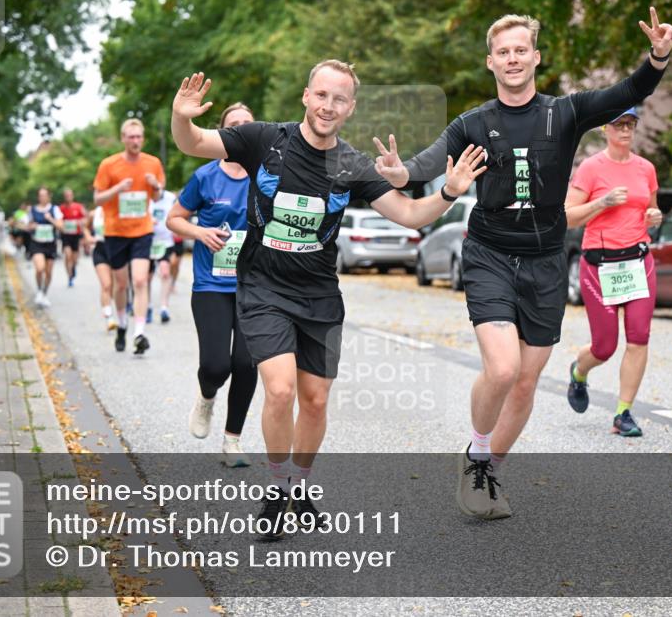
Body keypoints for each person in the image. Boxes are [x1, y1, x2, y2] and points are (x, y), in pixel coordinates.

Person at [374, 8, 672, 519]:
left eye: (521, 50)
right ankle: (475, 453)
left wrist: (658, 57)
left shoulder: (566, 112)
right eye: (503, 52)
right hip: (490, 253)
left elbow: (628, 92)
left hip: (546, 261)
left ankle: (488, 468)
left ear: (535, 57)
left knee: (527, 379)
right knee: (504, 366)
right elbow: (427, 165)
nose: (512, 59)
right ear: (491, 62)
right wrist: (400, 172)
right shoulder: (473, 123)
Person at [170, 60, 487, 537]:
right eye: (321, 95)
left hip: (319, 293)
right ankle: (278, 491)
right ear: (306, 96)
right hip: (262, 287)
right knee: (279, 390)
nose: (328, 106)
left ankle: (299, 484)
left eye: (339, 99)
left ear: (350, 108)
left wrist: (448, 191)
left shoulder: (353, 165)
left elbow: (409, 214)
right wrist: (181, 116)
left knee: (315, 402)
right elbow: (193, 142)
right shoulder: (263, 139)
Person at [167, 102, 259, 468]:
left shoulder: (268, 177)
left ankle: (232, 442)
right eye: (232, 126)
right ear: (221, 133)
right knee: (218, 364)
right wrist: (200, 232)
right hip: (211, 285)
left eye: (246, 125)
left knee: (247, 363)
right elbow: (174, 219)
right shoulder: (205, 176)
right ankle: (206, 396)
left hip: (255, 287)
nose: (239, 131)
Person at [563, 107, 663, 437]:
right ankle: (579, 371)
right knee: (604, 347)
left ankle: (623, 413)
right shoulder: (591, 169)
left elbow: (651, 206)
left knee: (639, 338)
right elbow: (569, 217)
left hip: (637, 262)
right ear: (605, 128)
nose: (625, 130)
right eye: (619, 124)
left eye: (630, 124)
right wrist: (601, 203)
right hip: (600, 265)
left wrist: (654, 217)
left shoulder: (645, 169)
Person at [93, 118, 166, 355]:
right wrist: (117, 189)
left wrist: (156, 186)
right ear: (123, 139)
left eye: (138, 137)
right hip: (115, 232)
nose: (135, 141)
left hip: (142, 230)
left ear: (143, 139)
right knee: (121, 284)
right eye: (130, 137)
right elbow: (97, 199)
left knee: (140, 281)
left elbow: (156, 198)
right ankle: (122, 325)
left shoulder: (152, 163)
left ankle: (139, 332)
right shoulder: (109, 165)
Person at [26, 187, 64, 307]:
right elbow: (27, 226)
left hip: (50, 244)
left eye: (44, 195)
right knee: (40, 268)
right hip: (37, 243)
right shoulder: (32, 210)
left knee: (48, 272)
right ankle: (39, 290)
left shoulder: (55, 209)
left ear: (49, 196)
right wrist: (32, 226)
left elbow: (61, 226)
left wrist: (50, 219)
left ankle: (44, 293)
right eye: (40, 195)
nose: (42, 197)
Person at [146, 184, 177, 324]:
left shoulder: (170, 197)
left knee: (165, 272)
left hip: (164, 242)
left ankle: (164, 307)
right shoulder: (144, 196)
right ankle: (147, 306)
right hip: (146, 241)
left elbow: (177, 215)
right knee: (146, 277)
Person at [85, 204, 117, 331]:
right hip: (100, 250)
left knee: (116, 286)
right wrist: (88, 237)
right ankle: (109, 317)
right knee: (106, 284)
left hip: (116, 250)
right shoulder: (94, 213)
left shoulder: (117, 211)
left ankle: (119, 310)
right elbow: (86, 228)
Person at [59, 188, 87, 287]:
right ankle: (69, 276)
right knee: (68, 255)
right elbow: (58, 220)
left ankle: (73, 268)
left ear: (73, 196)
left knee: (74, 258)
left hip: (76, 234)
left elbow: (86, 217)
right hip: (66, 235)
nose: (68, 197)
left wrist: (81, 222)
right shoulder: (61, 208)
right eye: (66, 195)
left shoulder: (79, 207)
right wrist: (61, 224)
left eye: (70, 195)